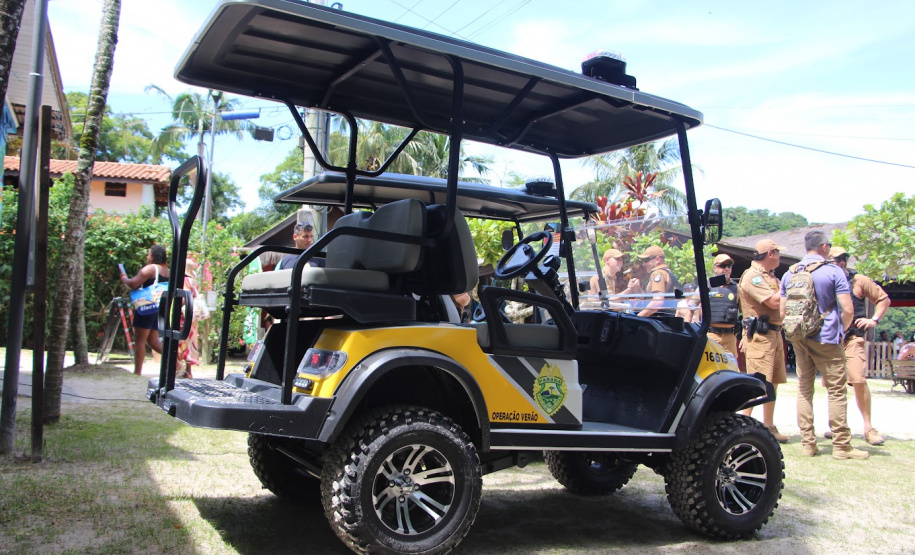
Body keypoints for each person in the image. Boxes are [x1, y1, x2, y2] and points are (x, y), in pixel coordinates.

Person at [780, 231, 868, 460]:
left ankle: (808, 444)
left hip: (799, 337)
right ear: (824, 247)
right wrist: (842, 330)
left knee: (804, 388)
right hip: (827, 337)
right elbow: (847, 309)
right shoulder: (833, 271)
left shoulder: (790, 274)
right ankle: (841, 446)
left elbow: (782, 311)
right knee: (836, 391)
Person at [827, 246, 890, 446]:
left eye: (844, 258)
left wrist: (874, 320)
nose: (842, 262)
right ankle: (838, 427)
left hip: (853, 338)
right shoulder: (825, 280)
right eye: (837, 258)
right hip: (832, 339)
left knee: (859, 380)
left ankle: (869, 428)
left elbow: (883, 299)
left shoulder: (859, 280)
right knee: (834, 385)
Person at [737, 238, 788, 443]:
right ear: (770, 254)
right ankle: (741, 425)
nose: (779, 257)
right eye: (778, 253)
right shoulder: (752, 277)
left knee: (773, 381)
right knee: (757, 382)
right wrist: (790, 286)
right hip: (760, 336)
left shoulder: (770, 276)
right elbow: (774, 302)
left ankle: (768, 425)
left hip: (774, 334)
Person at [120, 244, 170, 376]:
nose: (147, 256)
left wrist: (124, 278)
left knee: (140, 340)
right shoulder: (167, 271)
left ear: (154, 256)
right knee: (153, 341)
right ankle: (175, 362)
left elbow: (133, 283)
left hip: (147, 306)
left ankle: (137, 371)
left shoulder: (150, 269)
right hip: (159, 308)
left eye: (148, 254)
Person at [707, 253, 741, 360]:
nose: (726, 269)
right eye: (723, 266)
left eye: (729, 266)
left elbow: (746, 311)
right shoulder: (706, 286)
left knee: (732, 369)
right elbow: (692, 306)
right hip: (711, 335)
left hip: (730, 337)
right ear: (715, 268)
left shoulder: (737, 288)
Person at [636, 245, 679, 317]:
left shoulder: (657, 274)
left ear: (657, 259)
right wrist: (637, 289)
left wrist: (638, 318)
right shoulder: (668, 273)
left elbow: (657, 302)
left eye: (646, 260)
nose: (644, 264)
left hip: (657, 321)